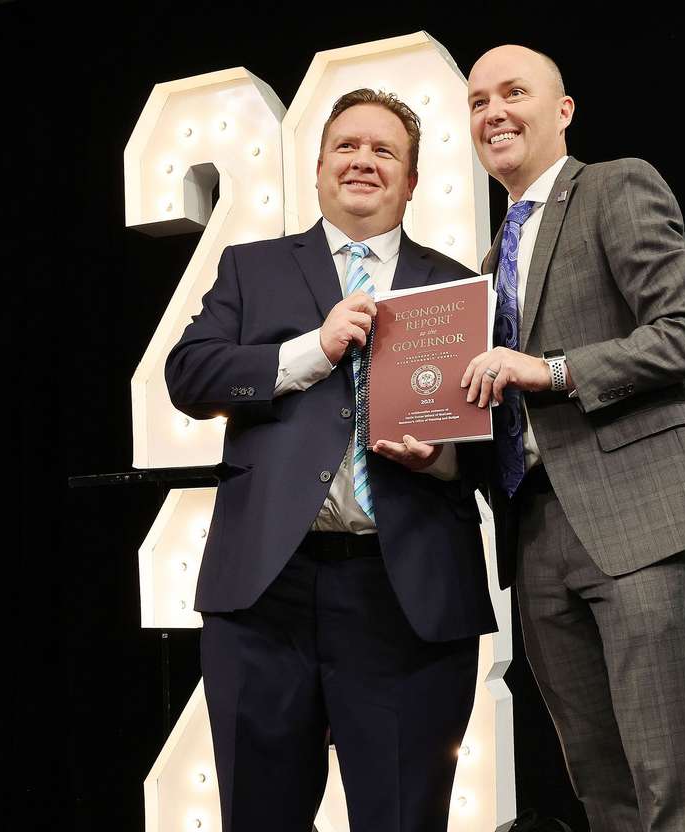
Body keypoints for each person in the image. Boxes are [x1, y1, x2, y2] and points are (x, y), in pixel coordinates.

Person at [166, 89, 496, 832]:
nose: (363, 161)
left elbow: (498, 447)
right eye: (347, 146)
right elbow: (188, 376)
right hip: (264, 596)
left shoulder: (460, 287)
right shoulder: (251, 270)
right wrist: (311, 350)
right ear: (317, 170)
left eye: (386, 151)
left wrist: (440, 460)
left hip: (405, 597)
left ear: (412, 182)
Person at [461, 45, 685, 831]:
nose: (494, 113)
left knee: (665, 775)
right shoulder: (491, 261)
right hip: (536, 528)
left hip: (637, 517)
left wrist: (550, 371)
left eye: (514, 92)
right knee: (598, 781)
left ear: (564, 111)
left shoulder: (615, 186)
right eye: (479, 101)